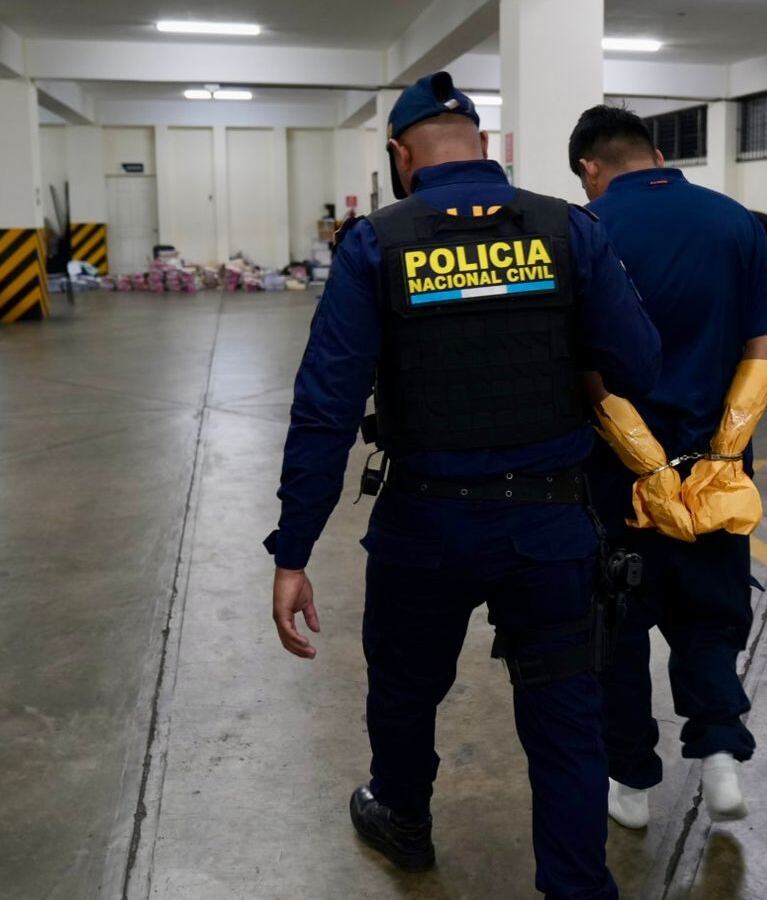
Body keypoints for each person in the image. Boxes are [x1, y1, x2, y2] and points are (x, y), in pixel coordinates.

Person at [265, 75, 661, 900]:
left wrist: (293, 550)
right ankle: (577, 887)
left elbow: (326, 407)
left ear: (401, 156)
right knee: (565, 717)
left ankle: (404, 819)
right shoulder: (568, 229)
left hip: (425, 526)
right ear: (485, 147)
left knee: (405, 690)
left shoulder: (376, 244)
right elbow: (639, 363)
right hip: (550, 524)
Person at [566, 106, 767, 830]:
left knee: (617, 626)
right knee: (711, 615)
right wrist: (722, 454)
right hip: (718, 479)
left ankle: (630, 783)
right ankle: (719, 754)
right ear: (657, 154)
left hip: (617, 477)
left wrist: (646, 459)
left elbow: (585, 364)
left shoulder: (587, 229)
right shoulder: (735, 222)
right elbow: (765, 345)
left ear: (590, 168)